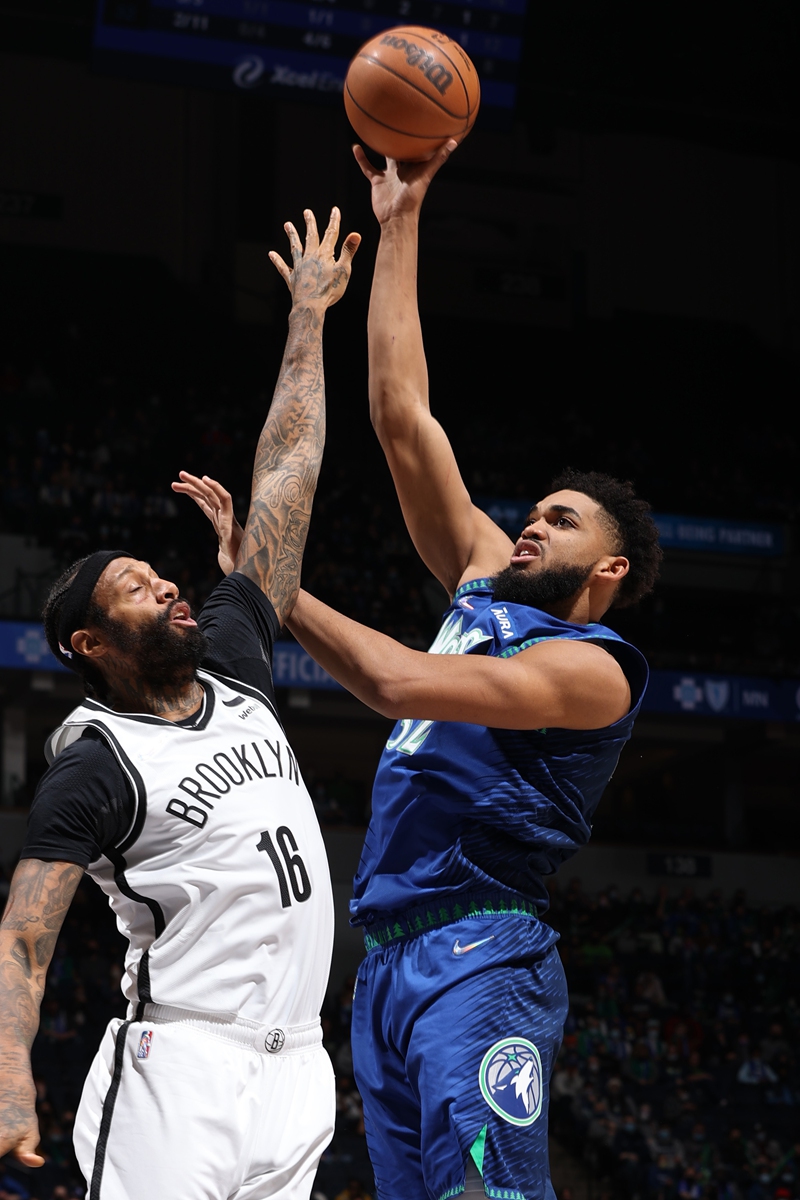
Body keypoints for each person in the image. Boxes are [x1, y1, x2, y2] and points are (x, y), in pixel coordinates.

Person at [183, 144, 660, 1200]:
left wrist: (273, 587)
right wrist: (399, 218)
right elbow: (401, 418)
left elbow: (398, 685)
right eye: (532, 512)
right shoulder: (486, 584)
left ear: (610, 569)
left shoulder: (593, 673)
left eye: (559, 521)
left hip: (481, 955)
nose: (529, 525)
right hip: (384, 963)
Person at [0, 208, 360, 1200]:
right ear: (91, 644)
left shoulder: (236, 663)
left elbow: (288, 476)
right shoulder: (97, 761)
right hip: (182, 1068)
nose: (167, 585)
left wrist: (307, 318)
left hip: (297, 1069)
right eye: (136, 587)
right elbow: (26, 937)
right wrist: (8, 1087)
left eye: (164, 574)